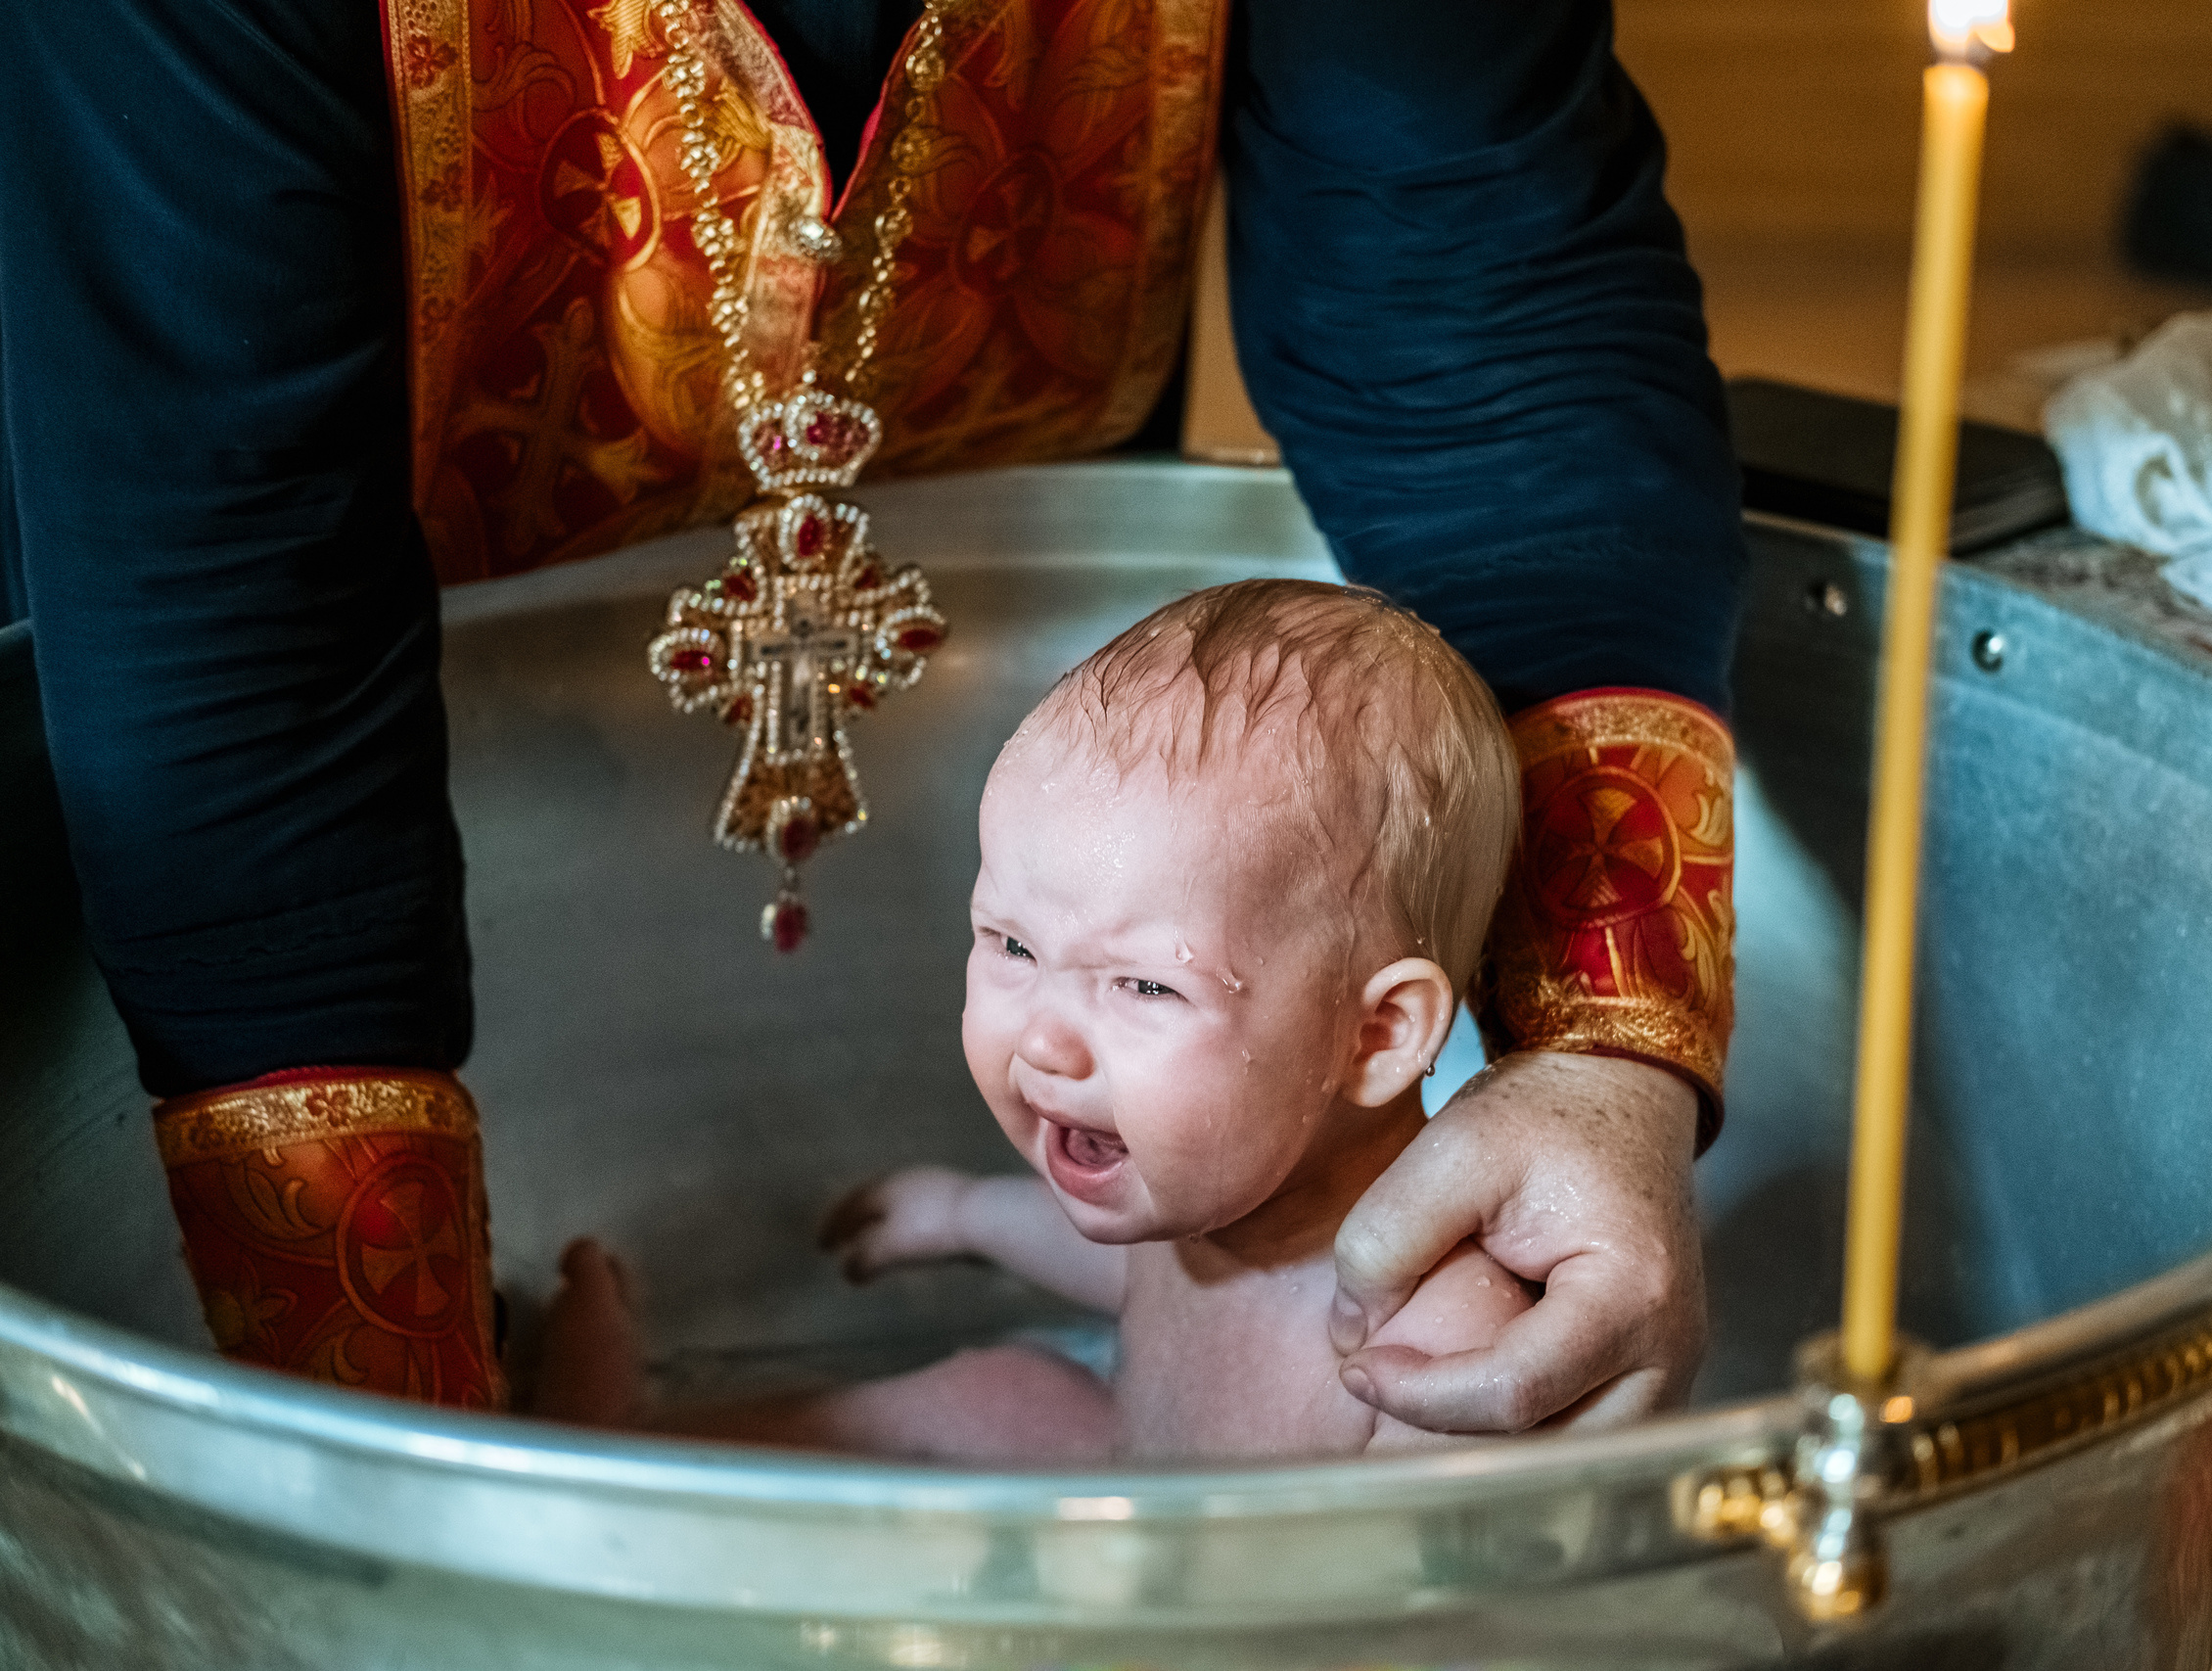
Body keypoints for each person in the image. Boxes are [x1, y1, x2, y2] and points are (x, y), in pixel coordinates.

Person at [3, 0, 1744, 1432]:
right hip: (172, 613)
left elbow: (1488, 323)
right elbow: (228, 622)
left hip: (1043, 631)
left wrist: (1604, 1050)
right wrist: (407, 1470)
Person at [539, 581, 1542, 1461]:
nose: (1043, 1043)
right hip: (1132, 1494)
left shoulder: (1440, 1339)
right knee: (1004, 1396)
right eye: (1012, 948)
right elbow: (1131, 1274)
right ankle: (625, 1456)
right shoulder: (1206, 1178)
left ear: (1376, 1035)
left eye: (1145, 987)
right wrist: (963, 1216)